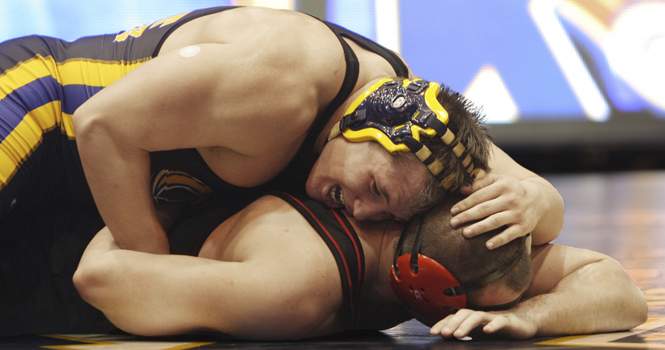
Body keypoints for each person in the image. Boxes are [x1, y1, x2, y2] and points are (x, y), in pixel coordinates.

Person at [0, 6, 564, 255]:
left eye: (387, 211)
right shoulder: (282, 82)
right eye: (375, 190)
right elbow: (103, 124)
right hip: (39, 106)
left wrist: (533, 203)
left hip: (81, 184)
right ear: (359, 128)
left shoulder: (411, 121)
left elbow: (534, 194)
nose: (365, 212)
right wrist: (149, 257)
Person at [69, 192, 646, 341]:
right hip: (53, 239)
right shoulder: (293, 287)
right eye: (477, 306)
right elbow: (97, 279)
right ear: (423, 285)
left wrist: (534, 317)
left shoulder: (450, 227)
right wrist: (139, 203)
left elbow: (620, 289)